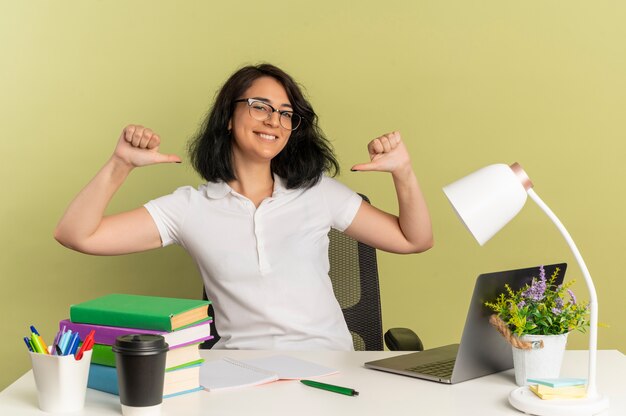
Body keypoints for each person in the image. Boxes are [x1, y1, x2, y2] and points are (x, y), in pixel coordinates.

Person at [54, 63, 433, 351]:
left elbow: (413, 239)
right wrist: (120, 164)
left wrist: (403, 171)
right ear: (228, 118)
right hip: (240, 373)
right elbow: (77, 234)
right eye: (260, 106)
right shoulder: (189, 208)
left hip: (331, 367)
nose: (275, 121)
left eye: (286, 113)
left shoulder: (318, 192)